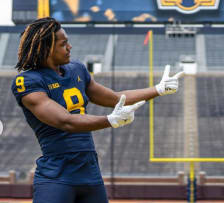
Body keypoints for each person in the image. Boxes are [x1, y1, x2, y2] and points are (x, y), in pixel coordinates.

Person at [11, 17, 184, 203]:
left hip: (89, 171)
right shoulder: (28, 81)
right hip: (57, 174)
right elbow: (65, 121)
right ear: (46, 49)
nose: (69, 47)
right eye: (63, 44)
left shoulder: (76, 69)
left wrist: (158, 89)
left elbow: (117, 99)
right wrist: (110, 120)